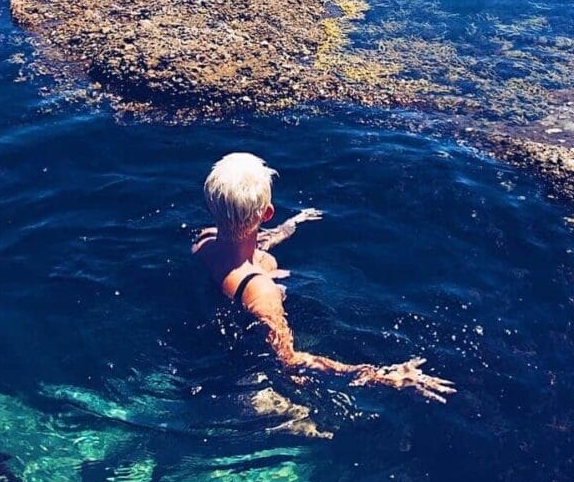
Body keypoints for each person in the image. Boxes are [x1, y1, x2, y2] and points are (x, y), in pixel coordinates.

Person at [192, 152, 455, 403]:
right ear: (267, 213)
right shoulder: (261, 290)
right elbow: (289, 360)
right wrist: (381, 376)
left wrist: (286, 228)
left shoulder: (203, 243)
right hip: (243, 374)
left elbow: (242, 240)